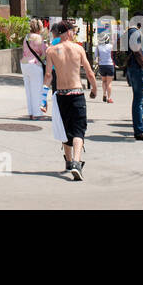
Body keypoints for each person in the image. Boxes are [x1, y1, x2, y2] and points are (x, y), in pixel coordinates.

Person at [43, 20, 98, 179]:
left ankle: (68, 161)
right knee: (78, 130)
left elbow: (48, 76)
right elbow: (89, 72)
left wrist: (43, 98)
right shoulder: (78, 49)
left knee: (65, 129)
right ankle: (76, 162)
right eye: (73, 31)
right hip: (76, 93)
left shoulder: (51, 51)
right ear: (67, 32)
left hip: (61, 94)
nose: (74, 34)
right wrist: (94, 89)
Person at [21, 19, 48, 119]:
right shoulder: (39, 38)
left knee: (28, 90)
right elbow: (43, 53)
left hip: (24, 64)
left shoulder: (26, 37)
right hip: (35, 65)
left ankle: (31, 112)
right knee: (37, 90)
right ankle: (37, 114)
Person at [94, 34, 115, 102]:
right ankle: (109, 98)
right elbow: (114, 56)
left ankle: (104, 94)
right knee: (109, 83)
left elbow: (95, 56)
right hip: (110, 65)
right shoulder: (111, 46)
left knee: (104, 81)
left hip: (102, 65)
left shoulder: (98, 47)